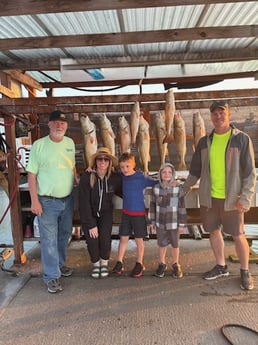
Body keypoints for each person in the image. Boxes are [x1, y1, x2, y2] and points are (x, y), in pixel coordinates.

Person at [183, 101, 256, 290]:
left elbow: (249, 173)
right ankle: (221, 265)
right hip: (209, 198)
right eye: (214, 114)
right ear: (211, 117)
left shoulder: (241, 139)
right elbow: (194, 172)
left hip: (233, 199)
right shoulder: (204, 141)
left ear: (229, 114)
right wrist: (181, 191)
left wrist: (246, 197)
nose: (218, 116)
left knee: (238, 234)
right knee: (213, 231)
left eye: (221, 113)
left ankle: (245, 270)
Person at [27, 110, 77, 294]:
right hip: (46, 201)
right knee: (48, 240)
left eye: (62, 123)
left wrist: (78, 179)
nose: (59, 125)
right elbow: (31, 175)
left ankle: (60, 265)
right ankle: (51, 276)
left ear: (66, 126)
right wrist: (34, 201)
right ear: (48, 124)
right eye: (55, 122)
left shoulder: (70, 143)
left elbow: (71, 167)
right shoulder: (38, 145)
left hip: (67, 199)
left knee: (64, 236)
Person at [78, 147, 122, 278]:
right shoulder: (87, 178)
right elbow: (83, 203)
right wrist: (90, 224)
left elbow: (124, 191)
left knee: (105, 239)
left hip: (105, 214)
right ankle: (96, 264)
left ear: (109, 162)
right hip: (90, 215)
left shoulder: (114, 178)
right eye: (100, 159)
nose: (103, 162)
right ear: (95, 161)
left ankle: (104, 263)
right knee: (92, 239)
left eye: (106, 159)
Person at [112, 152, 156, 278]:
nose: (125, 169)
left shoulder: (141, 177)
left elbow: (155, 182)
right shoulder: (121, 176)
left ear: (133, 165)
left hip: (138, 214)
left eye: (127, 166)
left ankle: (139, 263)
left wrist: (169, 181)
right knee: (123, 238)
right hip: (126, 213)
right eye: (122, 167)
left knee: (139, 240)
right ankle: (119, 262)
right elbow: (108, 174)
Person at [147, 163, 187, 278]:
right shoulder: (155, 188)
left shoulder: (178, 188)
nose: (167, 175)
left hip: (174, 223)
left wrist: (182, 224)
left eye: (169, 172)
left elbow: (182, 207)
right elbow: (152, 206)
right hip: (161, 222)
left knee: (175, 244)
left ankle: (175, 264)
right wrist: (152, 222)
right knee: (162, 243)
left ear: (173, 174)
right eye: (164, 172)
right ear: (160, 174)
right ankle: (162, 263)